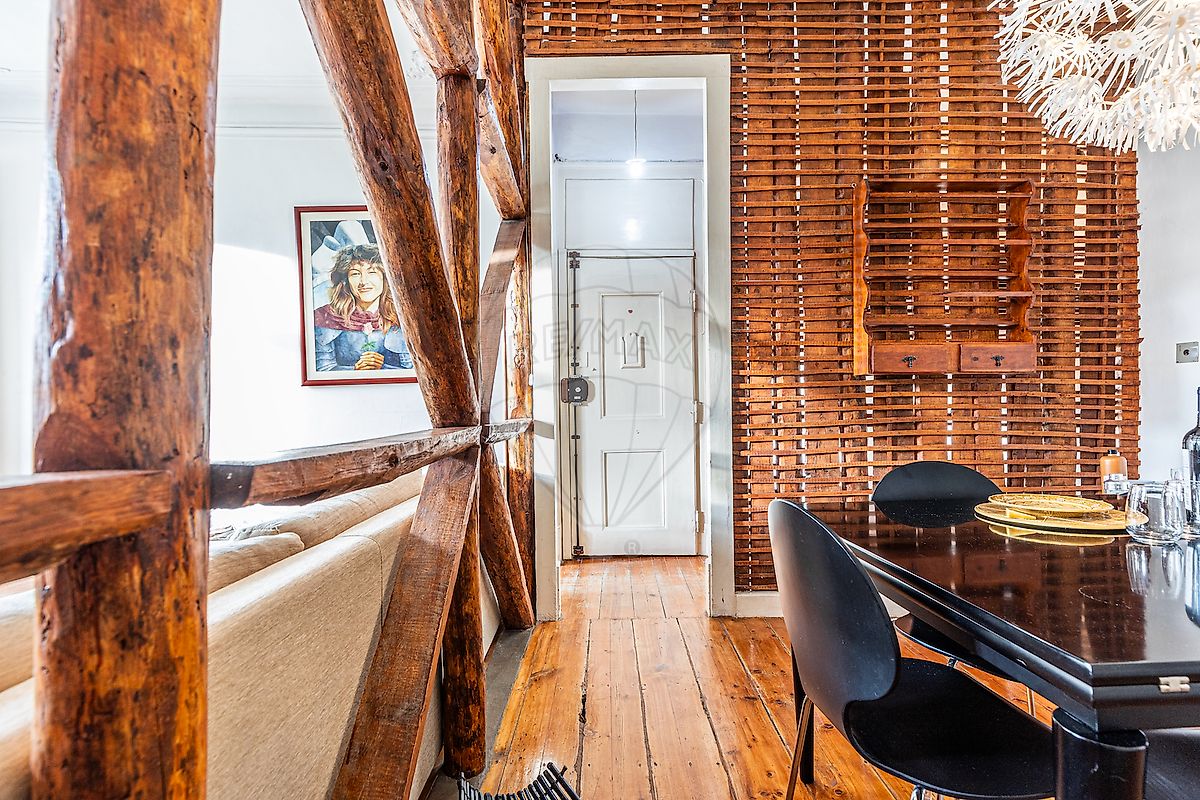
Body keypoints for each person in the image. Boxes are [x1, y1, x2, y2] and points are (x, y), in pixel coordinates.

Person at [312, 244, 414, 371]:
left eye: (372, 272)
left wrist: (382, 368)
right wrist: (356, 371)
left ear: (385, 278)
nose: (364, 282)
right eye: (355, 274)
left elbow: (413, 371)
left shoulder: (402, 317)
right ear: (345, 280)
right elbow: (322, 371)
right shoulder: (325, 317)